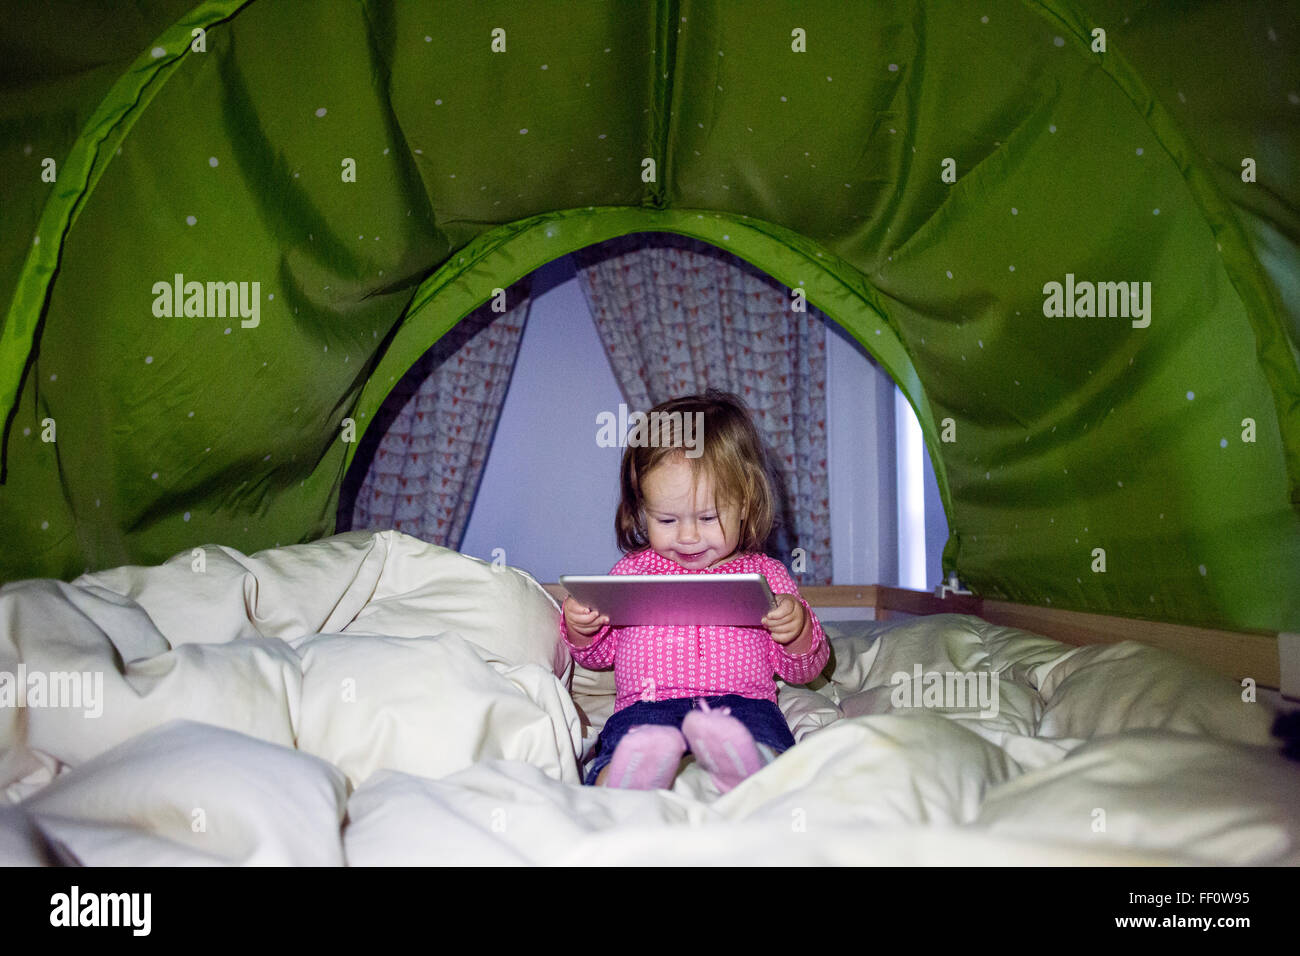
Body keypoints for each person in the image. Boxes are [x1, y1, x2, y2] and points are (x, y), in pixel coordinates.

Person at [562, 389, 828, 792]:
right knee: (630, 738)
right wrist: (583, 627)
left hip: (743, 704)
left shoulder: (767, 574)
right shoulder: (632, 571)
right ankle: (622, 782)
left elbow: (804, 669)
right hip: (646, 705)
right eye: (666, 520)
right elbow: (599, 655)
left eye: (707, 517)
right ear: (641, 509)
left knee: (761, 735)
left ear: (745, 503)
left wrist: (798, 630)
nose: (687, 536)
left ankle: (750, 770)